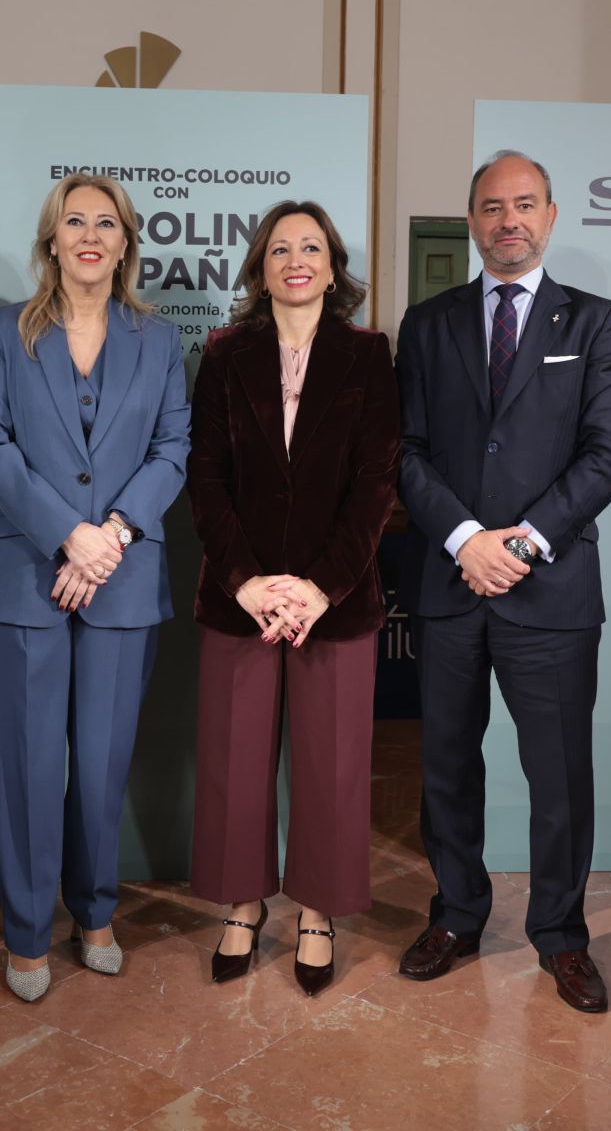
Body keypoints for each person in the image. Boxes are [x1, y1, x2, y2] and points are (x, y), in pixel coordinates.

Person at [393, 150, 611, 1013]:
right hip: (451, 582)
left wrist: (521, 546)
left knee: (559, 778)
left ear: (551, 216)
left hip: (550, 595)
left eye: (524, 204)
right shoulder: (428, 324)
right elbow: (405, 452)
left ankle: (562, 936)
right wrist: (466, 539)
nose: (509, 221)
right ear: (471, 221)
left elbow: (610, 455)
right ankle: (457, 915)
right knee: (447, 769)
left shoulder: (597, 322)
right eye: (493, 207)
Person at [0, 173, 190, 1002]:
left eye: (106, 223)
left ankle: (95, 913)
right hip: (24, 576)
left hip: (122, 580)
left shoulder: (159, 341)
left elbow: (173, 448)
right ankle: (26, 932)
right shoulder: (4, 334)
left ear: (126, 243)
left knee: (100, 764)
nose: (90, 236)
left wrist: (112, 536)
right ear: (51, 240)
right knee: (26, 767)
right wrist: (69, 534)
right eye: (74, 222)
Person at [185, 201, 399, 997]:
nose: (297, 259)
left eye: (312, 247)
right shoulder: (224, 353)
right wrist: (246, 581)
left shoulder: (369, 354)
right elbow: (204, 475)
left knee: (331, 765)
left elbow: (376, 482)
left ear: (333, 267)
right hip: (239, 597)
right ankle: (243, 904)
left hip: (332, 601)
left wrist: (318, 588)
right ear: (261, 268)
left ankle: (317, 910)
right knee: (235, 762)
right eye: (281, 249)